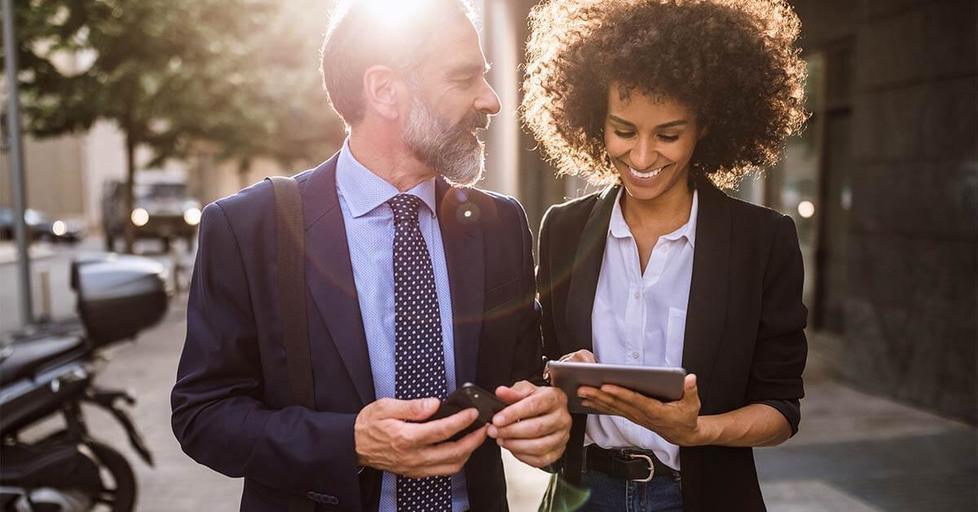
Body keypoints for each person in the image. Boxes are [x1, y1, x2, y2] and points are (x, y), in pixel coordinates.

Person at [171, 1, 571, 511]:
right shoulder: (247, 227)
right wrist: (351, 443)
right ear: (384, 91)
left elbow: (521, 378)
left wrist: (547, 408)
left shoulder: (500, 224)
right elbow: (202, 415)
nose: (490, 101)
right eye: (464, 78)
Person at [522, 0, 809, 510]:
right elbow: (534, 369)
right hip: (583, 494)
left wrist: (696, 431)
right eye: (624, 130)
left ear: (706, 126)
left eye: (669, 135)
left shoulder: (762, 242)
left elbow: (782, 410)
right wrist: (558, 376)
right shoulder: (562, 230)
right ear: (593, 119)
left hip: (701, 496)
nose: (642, 157)